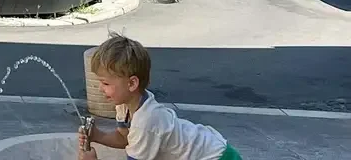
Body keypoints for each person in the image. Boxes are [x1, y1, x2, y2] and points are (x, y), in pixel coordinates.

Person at [80, 35, 240, 160]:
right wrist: (97, 136)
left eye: (105, 83)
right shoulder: (126, 105)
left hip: (218, 157)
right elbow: (125, 139)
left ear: (131, 84)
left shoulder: (146, 122)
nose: (100, 88)